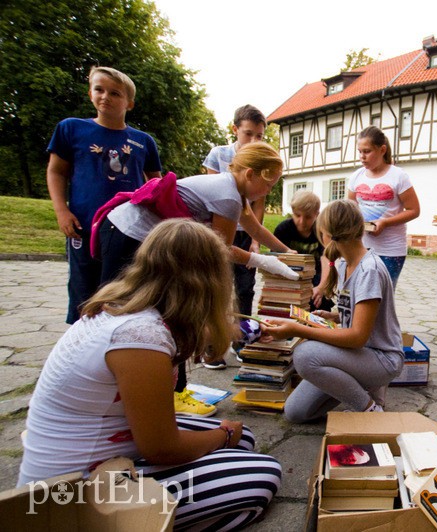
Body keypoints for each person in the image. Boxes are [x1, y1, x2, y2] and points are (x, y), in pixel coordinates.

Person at [18, 219, 282, 530]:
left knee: (244, 438)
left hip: (104, 450)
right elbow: (161, 448)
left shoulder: (127, 309)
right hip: (71, 493)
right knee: (262, 474)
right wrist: (223, 435)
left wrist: (240, 331)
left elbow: (204, 333)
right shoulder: (141, 337)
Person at [96, 142, 297, 416]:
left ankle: (170, 389)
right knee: (147, 311)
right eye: (269, 184)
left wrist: (287, 253)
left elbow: (254, 229)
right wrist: (261, 260)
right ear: (250, 174)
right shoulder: (228, 196)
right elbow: (219, 250)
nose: (269, 192)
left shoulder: (234, 191)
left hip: (139, 236)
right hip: (128, 234)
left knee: (166, 311)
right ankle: (158, 391)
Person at [266, 199, 404, 422]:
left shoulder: (369, 270)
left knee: (304, 355)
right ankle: (361, 387)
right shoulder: (344, 264)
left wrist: (298, 330)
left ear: (328, 235)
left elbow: (357, 337)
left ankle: (369, 409)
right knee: (296, 412)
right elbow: (364, 311)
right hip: (357, 357)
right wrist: (334, 316)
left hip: (381, 359)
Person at [46, 66, 162, 325]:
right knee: (83, 289)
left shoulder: (143, 141)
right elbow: (56, 171)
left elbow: (156, 184)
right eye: (99, 89)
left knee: (122, 289)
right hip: (85, 224)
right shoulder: (71, 129)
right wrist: (61, 210)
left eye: (115, 93)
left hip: (127, 230)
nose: (105, 97)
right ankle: (81, 340)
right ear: (90, 93)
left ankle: (116, 340)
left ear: (129, 103)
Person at [203, 104, 268, 325]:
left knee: (245, 287)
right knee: (216, 284)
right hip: (219, 228)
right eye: (248, 134)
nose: (253, 141)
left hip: (245, 232)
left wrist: (255, 242)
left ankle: (242, 335)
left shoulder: (263, 160)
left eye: (259, 136)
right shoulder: (218, 154)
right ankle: (213, 337)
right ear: (235, 129)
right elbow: (211, 195)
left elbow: (259, 205)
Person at [347, 126, 420, 288]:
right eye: (360, 152)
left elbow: (414, 210)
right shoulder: (356, 177)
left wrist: (385, 223)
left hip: (391, 250)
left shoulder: (398, 176)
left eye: (367, 151)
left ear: (382, 150)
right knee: (360, 293)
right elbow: (350, 210)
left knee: (383, 296)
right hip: (360, 248)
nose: (362, 157)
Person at [273, 189, 334, 311]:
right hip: (288, 275)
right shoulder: (283, 230)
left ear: (317, 214)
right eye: (297, 215)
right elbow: (274, 260)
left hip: (315, 276)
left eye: (308, 217)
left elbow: (327, 260)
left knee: (319, 300)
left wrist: (321, 288)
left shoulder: (321, 231)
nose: (301, 222)